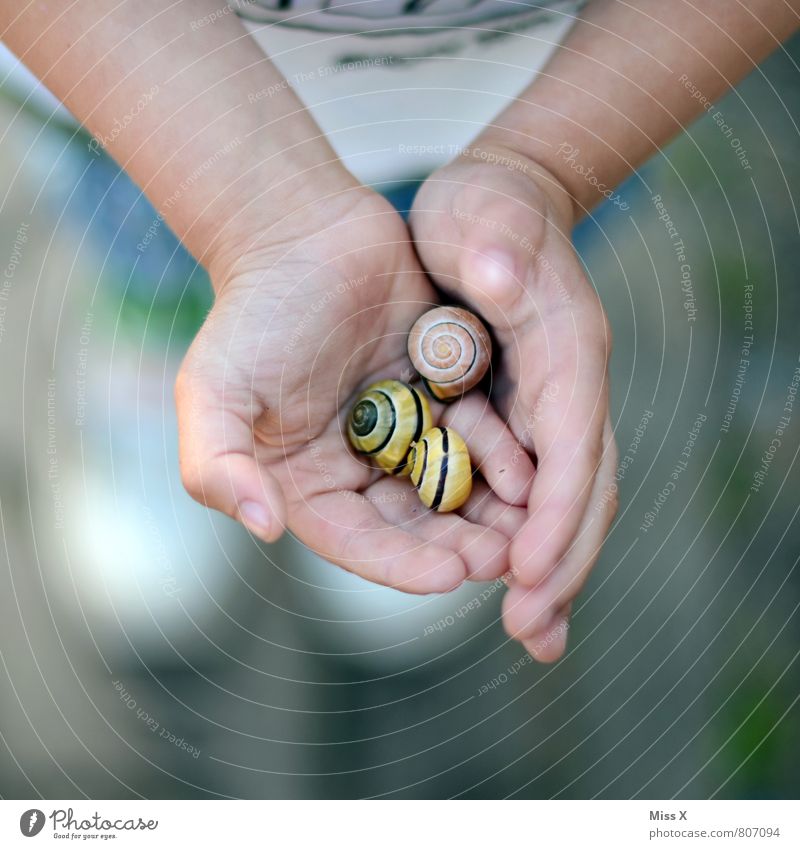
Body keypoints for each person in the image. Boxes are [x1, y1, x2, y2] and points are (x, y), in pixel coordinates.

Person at [3, 1, 796, 662]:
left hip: (566, 89)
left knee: (492, 272)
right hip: (139, 82)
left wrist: (542, 169)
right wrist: (254, 214)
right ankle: (155, 372)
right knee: (142, 245)